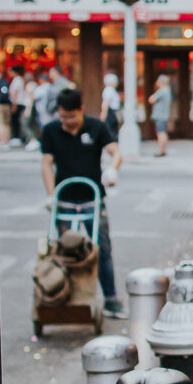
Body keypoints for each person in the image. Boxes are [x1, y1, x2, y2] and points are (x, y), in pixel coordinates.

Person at [40, 87, 122, 312]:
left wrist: (113, 169)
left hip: (93, 200)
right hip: (64, 200)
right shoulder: (50, 130)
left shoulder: (96, 127)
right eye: (62, 116)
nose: (66, 121)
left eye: (71, 116)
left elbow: (115, 152)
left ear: (81, 110)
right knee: (65, 250)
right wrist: (51, 195)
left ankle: (111, 299)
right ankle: (64, 295)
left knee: (101, 248)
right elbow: (47, 163)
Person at [149, 73, 176, 158]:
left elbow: (151, 99)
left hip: (160, 115)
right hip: (164, 115)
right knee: (163, 132)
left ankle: (161, 151)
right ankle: (163, 150)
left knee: (160, 133)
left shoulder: (162, 90)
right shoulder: (167, 90)